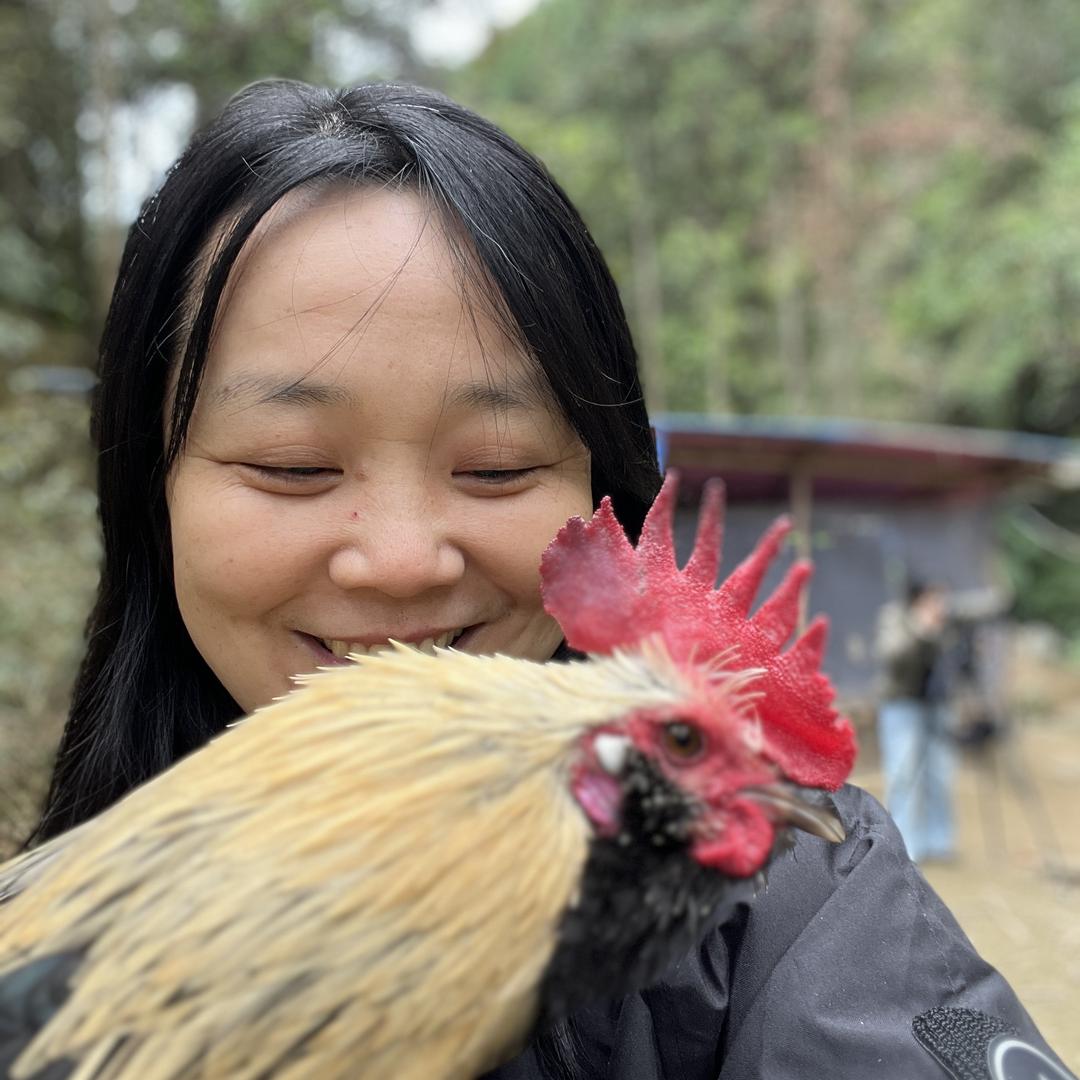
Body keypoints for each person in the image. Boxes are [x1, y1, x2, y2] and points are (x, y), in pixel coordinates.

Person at [27, 80, 1073, 1079]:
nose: (400, 562)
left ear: (598, 481)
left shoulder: (795, 911)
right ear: (147, 491)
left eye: (496, 468)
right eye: (292, 465)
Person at [875, 581, 957, 862]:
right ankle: (904, 845)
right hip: (902, 705)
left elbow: (954, 663)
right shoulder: (895, 618)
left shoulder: (948, 623)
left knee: (940, 773)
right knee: (903, 774)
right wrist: (920, 631)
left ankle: (939, 840)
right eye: (934, 599)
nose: (940, 606)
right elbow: (893, 658)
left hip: (937, 706)